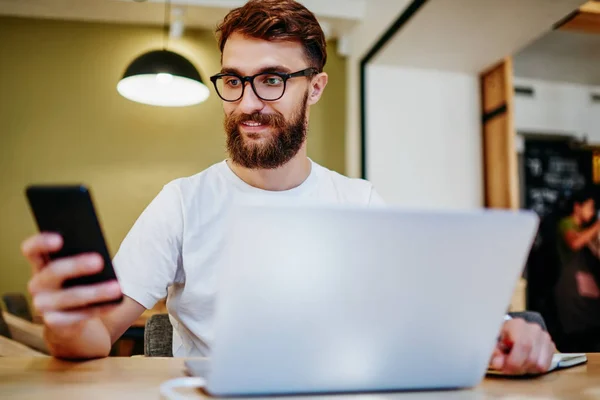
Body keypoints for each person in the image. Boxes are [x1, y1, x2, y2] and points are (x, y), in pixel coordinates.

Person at [21, 0, 554, 374]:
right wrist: (65, 326)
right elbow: (95, 336)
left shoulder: (359, 202)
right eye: (233, 80)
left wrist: (505, 328)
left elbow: (437, 314)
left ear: (315, 87)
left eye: (272, 79)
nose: (249, 101)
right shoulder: (182, 202)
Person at [555, 189, 600, 351]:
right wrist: (597, 225)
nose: (592, 212)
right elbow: (575, 243)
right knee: (577, 338)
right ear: (577, 207)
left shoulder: (585, 230)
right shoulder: (567, 224)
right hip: (571, 290)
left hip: (587, 289)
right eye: (590, 207)